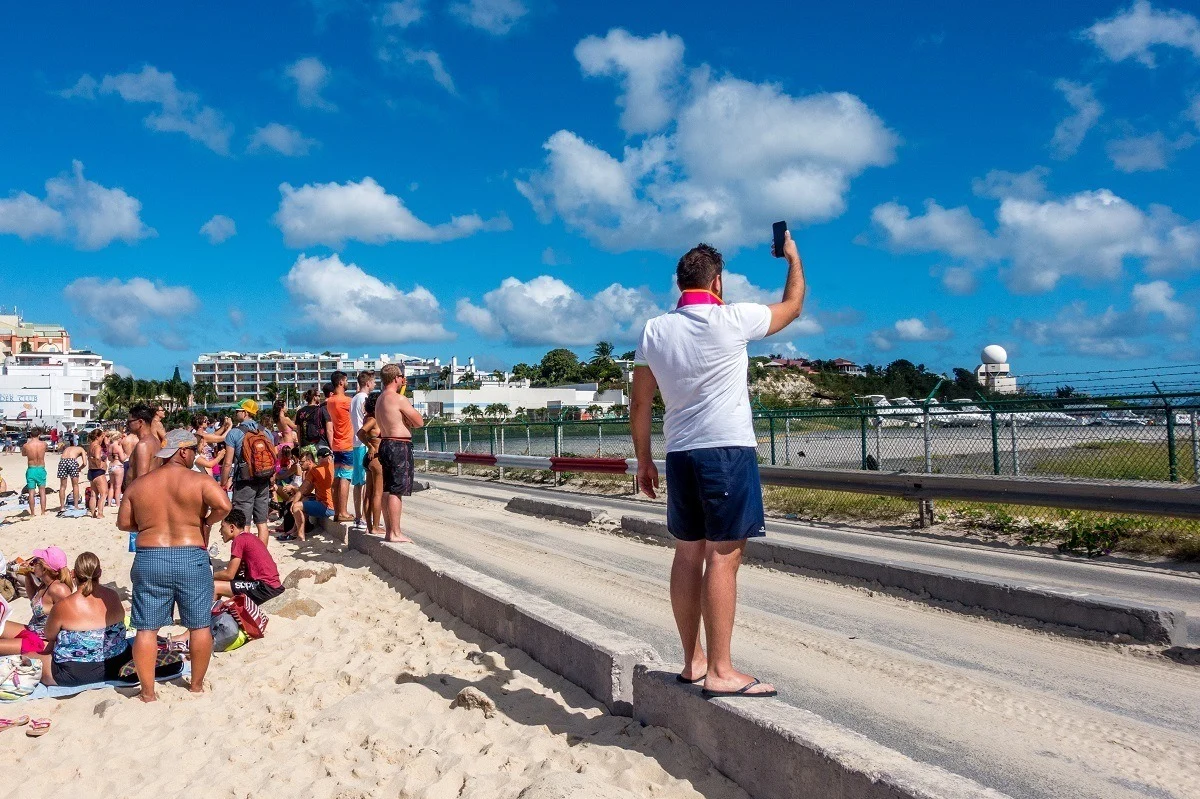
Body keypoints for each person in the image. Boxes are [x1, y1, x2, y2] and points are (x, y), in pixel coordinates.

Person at [630, 237, 804, 699]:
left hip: (680, 454)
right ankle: (722, 671)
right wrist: (793, 257)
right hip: (726, 453)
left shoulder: (654, 330)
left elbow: (640, 402)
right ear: (717, 281)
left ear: (681, 283)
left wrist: (644, 460)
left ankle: (694, 662)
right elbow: (792, 306)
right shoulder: (734, 318)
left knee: (687, 554)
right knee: (722, 559)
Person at [118, 428, 230, 701]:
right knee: (199, 625)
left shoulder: (140, 484)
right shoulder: (198, 481)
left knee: (146, 627)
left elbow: (123, 523)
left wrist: (148, 525)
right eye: (194, 450)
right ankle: (196, 686)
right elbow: (224, 506)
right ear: (183, 451)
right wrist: (205, 521)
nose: (196, 454)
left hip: (150, 557)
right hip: (190, 555)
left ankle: (147, 693)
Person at [38, 552, 134, 687]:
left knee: (32, 657)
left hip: (75, 674)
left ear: (73, 574)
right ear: (99, 573)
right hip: (117, 665)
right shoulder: (113, 596)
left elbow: (49, 635)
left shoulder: (62, 606)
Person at [375, 364, 424, 543]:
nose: (403, 379)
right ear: (396, 378)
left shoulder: (380, 399)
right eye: (401, 376)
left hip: (385, 442)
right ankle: (395, 532)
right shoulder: (398, 398)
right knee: (397, 490)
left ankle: (389, 530)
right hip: (399, 445)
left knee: (388, 488)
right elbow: (419, 421)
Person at [0, 546, 73, 657]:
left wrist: (54, 644)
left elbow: (70, 620)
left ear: (44, 568)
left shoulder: (59, 589)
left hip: (41, 641)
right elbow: (33, 598)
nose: (32, 564)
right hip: (33, 630)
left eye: (35, 562)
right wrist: (28, 575)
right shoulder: (45, 584)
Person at [222, 399, 273, 545]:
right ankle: (261, 556)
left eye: (238, 411)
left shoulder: (234, 433)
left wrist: (223, 483)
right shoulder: (266, 431)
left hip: (244, 482)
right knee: (262, 523)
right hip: (263, 480)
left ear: (245, 413)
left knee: (243, 524)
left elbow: (227, 463)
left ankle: (245, 559)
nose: (236, 413)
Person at [212, 509, 283, 605]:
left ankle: (209, 617)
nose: (220, 531)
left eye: (222, 527)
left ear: (232, 528)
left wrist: (208, 575)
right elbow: (234, 575)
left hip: (264, 588)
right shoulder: (249, 537)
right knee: (221, 581)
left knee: (214, 586)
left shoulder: (239, 540)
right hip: (273, 586)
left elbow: (229, 574)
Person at [281, 446, 334, 542]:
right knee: (305, 500)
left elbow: (302, 490)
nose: (300, 464)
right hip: (335, 507)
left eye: (302, 462)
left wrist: (293, 504)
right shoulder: (334, 468)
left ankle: (300, 536)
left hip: (326, 506)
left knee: (297, 506)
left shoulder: (315, 470)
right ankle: (295, 530)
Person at [324, 371, 355, 522]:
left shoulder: (330, 401)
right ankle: (342, 512)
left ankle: (337, 511)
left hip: (336, 444)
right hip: (347, 443)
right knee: (345, 477)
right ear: (341, 382)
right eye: (347, 380)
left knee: (337, 477)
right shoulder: (347, 401)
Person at [350, 370, 375, 530]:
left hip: (356, 442)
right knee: (365, 481)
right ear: (367, 383)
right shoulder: (364, 399)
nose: (374, 385)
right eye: (373, 382)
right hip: (363, 442)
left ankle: (359, 516)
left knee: (358, 481)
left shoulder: (354, 398)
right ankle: (364, 517)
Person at [356, 392, 384, 536]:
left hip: (368, 459)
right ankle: (375, 526)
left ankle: (369, 525)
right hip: (375, 457)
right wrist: (371, 446)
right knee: (377, 494)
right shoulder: (373, 419)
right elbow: (360, 433)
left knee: (368, 493)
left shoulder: (368, 417)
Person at [125, 403, 161, 483]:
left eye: (129, 422)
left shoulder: (143, 445)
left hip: (139, 493)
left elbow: (141, 480)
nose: (127, 425)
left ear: (140, 422)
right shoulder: (156, 442)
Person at [20, 427, 48, 516]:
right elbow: (45, 451)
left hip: (31, 468)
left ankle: (32, 513)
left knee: (31, 492)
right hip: (41, 468)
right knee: (42, 491)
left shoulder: (26, 445)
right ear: (39, 434)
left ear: (31, 435)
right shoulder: (44, 444)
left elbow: (23, 454)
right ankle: (43, 512)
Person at [85, 429, 110, 519]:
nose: (102, 438)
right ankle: (100, 513)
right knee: (104, 493)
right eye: (101, 437)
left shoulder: (90, 446)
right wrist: (100, 465)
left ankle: (92, 513)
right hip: (98, 472)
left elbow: (90, 457)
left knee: (93, 494)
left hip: (91, 471)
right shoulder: (97, 447)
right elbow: (97, 457)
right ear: (97, 437)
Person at [56, 440, 87, 510]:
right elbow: (85, 463)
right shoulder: (81, 449)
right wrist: (80, 468)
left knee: (62, 486)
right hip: (72, 462)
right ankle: (76, 506)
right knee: (75, 485)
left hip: (62, 461)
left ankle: (62, 507)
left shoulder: (67, 448)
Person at [106, 431, 126, 508]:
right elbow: (123, 459)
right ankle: (118, 503)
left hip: (111, 466)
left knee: (111, 486)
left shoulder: (110, 446)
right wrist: (126, 454)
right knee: (118, 486)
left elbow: (109, 458)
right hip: (118, 466)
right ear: (118, 438)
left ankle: (109, 503)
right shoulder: (118, 447)